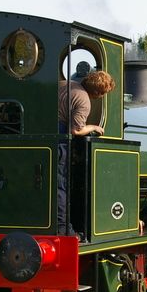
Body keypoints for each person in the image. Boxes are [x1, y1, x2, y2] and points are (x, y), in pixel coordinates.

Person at [57, 70, 116, 235]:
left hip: (39, 131)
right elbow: (75, 130)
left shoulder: (65, 84)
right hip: (58, 139)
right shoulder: (84, 101)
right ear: (97, 92)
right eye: (104, 94)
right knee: (60, 183)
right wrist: (94, 127)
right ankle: (62, 228)